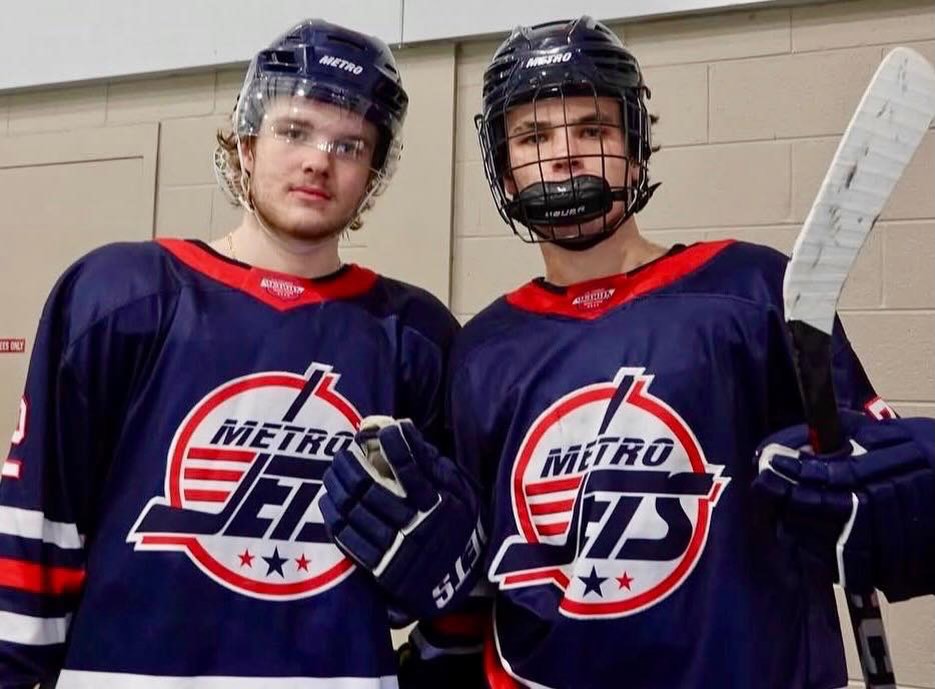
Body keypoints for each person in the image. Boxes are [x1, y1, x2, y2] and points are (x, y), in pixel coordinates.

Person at [323, 16, 935, 689]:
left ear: (636, 148)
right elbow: (476, 578)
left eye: (592, 129)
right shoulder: (480, 349)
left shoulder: (751, 290)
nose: (564, 154)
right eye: (533, 136)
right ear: (503, 166)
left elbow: (874, 482)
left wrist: (905, 502)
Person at [0, 18, 461, 688]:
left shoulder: (417, 335)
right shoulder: (120, 296)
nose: (317, 160)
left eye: (349, 144)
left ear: (373, 174)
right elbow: (37, 528)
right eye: (294, 130)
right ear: (245, 143)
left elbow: (453, 589)